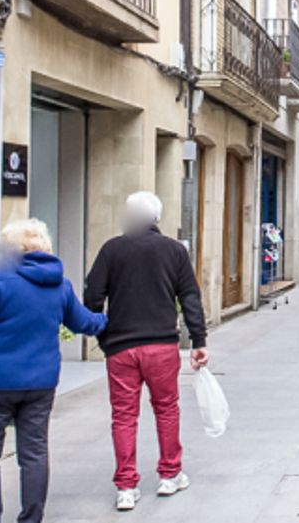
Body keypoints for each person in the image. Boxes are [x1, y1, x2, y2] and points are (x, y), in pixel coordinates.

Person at [0, 217, 106, 523]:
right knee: (34, 451)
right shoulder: (60, 285)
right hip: (40, 383)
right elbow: (83, 323)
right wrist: (112, 320)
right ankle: (32, 517)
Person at [83, 191, 207, 513]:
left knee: (124, 415)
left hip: (122, 349)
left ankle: (126, 486)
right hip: (162, 346)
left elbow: (93, 297)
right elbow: (190, 297)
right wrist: (199, 341)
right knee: (167, 408)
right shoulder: (174, 251)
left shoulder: (112, 250)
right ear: (157, 219)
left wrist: (105, 335)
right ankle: (170, 474)